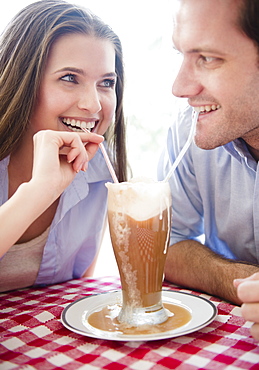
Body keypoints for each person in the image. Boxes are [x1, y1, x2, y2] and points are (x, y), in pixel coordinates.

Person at [0, 0, 127, 292]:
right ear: (22, 81)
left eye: (106, 83)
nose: (93, 104)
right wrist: (37, 193)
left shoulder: (100, 169)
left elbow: (76, 295)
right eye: (70, 78)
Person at [158, 0, 259, 340]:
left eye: (208, 58)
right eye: (181, 55)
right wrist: (244, 281)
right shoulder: (190, 129)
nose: (180, 88)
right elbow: (165, 244)